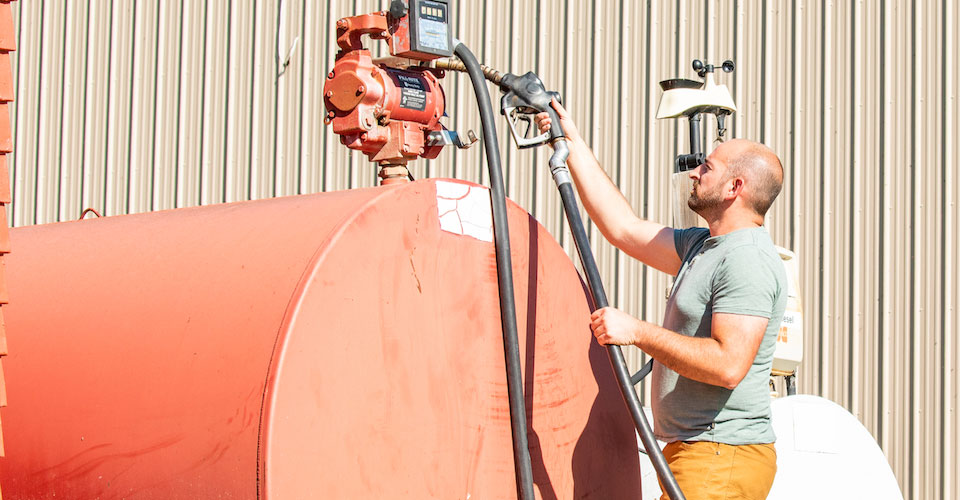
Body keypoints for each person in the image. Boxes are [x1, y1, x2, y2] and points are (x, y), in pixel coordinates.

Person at [536, 100, 787, 500]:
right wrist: (571, 141)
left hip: (721, 455)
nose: (695, 172)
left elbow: (728, 365)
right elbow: (623, 227)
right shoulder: (704, 246)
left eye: (708, 167)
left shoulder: (747, 259)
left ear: (734, 188)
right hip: (698, 453)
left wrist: (636, 331)